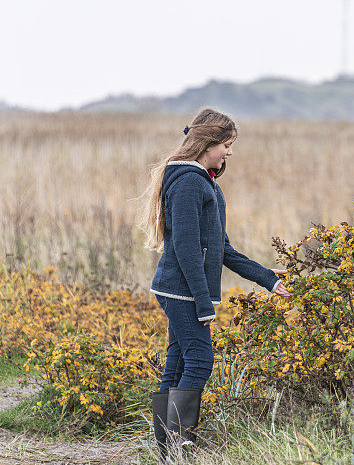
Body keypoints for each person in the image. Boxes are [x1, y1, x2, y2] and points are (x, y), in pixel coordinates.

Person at [137, 106, 292, 463]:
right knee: (201, 361)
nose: (230, 152)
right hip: (181, 290)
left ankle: (168, 452)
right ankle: (179, 449)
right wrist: (204, 303)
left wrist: (267, 279)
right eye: (227, 144)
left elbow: (219, 247)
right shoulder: (191, 182)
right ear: (208, 142)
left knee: (178, 362)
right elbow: (187, 249)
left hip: (179, 288)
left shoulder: (199, 180)